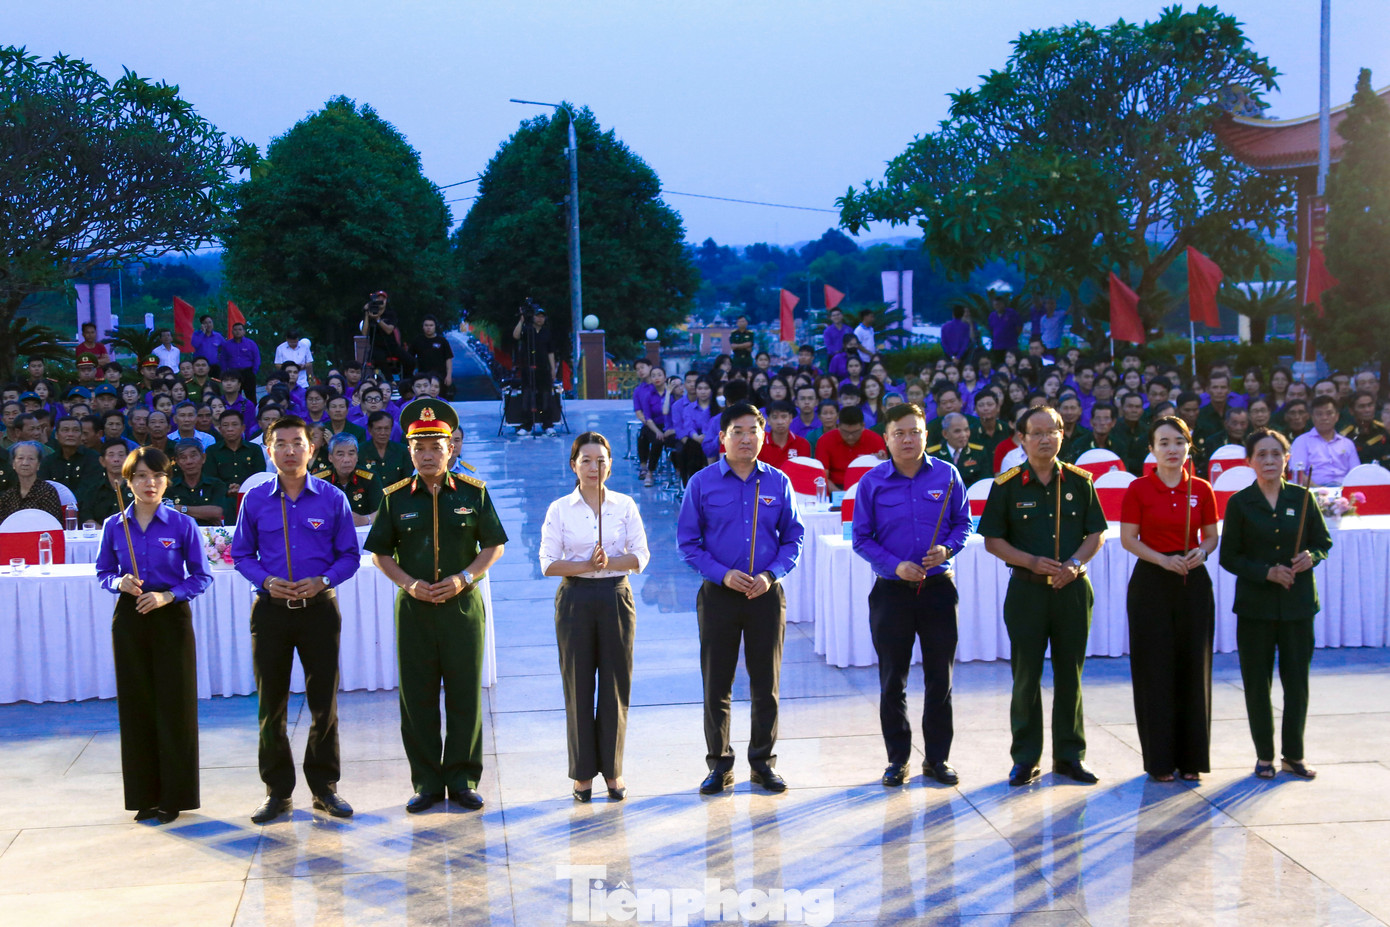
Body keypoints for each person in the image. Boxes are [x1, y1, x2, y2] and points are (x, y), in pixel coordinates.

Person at [365, 400, 507, 812]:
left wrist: (465, 577)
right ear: (409, 452)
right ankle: (426, 782)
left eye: (436, 447)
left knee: (465, 695)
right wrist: (408, 584)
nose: (428, 456)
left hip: (463, 610)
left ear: (451, 450)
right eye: (419, 448)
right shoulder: (394, 498)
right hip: (415, 611)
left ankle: (462, 779)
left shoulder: (473, 493)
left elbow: (494, 545)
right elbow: (380, 553)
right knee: (418, 697)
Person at [231, 415, 361, 824]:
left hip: (319, 610)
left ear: (312, 448)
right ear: (269, 451)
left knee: (324, 702)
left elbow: (350, 556)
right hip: (270, 612)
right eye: (280, 444)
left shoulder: (331, 498)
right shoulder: (254, 500)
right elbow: (240, 554)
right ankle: (277, 792)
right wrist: (267, 581)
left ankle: (325, 788)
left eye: (297, 443)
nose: (289, 451)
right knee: (271, 705)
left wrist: (323, 579)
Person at [677, 403, 804, 795]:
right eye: (738, 431)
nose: (746, 438)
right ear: (723, 438)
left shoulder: (779, 482)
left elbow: (793, 539)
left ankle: (763, 763)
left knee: (766, 683)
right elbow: (688, 543)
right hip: (719, 596)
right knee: (718, 683)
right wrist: (722, 574)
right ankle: (719, 763)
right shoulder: (701, 483)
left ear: (763, 436)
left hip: (765, 595)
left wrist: (770, 575)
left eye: (753, 431)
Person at [979, 406, 1108, 787]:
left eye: (1052, 431)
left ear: (1062, 435)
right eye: (1035, 433)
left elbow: (1095, 534)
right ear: (1021, 439)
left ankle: (1070, 756)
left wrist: (1075, 564)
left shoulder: (1081, 482)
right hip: (1027, 592)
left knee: (1071, 674)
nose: (1044, 438)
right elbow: (992, 541)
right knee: (1026, 676)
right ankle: (1025, 758)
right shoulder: (1006, 484)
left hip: (1072, 590)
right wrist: (1031, 562)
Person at [852, 403, 970, 787]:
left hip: (938, 590)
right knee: (893, 681)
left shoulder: (948, 476)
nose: (907, 439)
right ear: (886, 439)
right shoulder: (872, 482)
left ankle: (937, 759)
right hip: (893, 593)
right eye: (899, 433)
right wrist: (894, 564)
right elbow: (861, 539)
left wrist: (948, 549)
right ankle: (897, 759)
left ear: (926, 436)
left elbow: (963, 524)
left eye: (915, 432)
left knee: (941, 679)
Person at [93, 446, 212, 823]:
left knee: (174, 706)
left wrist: (167, 595)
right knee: (137, 706)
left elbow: (201, 576)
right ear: (127, 482)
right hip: (130, 618)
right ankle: (144, 796)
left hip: (170, 616)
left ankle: (174, 796)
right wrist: (119, 582)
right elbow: (102, 573)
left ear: (167, 480)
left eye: (158, 476)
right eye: (141, 476)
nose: (150, 483)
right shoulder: (115, 526)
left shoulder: (181, 524)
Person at [540, 432, 650, 802]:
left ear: (610, 465)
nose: (593, 467)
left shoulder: (624, 505)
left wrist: (610, 563)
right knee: (579, 687)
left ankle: (613, 772)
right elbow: (547, 563)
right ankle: (583, 774)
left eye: (601, 460)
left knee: (616, 687)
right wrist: (585, 565)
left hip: (616, 595)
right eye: (586, 460)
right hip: (576, 597)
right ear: (574, 465)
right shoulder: (560, 508)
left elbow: (640, 555)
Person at [1220, 429, 1332, 781]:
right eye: (1261, 455)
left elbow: (1323, 543)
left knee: (1297, 682)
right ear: (1249, 461)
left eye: (1276, 454)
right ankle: (1264, 756)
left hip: (1297, 606)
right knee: (1257, 683)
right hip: (1256, 607)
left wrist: (1309, 557)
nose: (1269, 461)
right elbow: (1229, 557)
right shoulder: (1240, 503)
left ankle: (1293, 755)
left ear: (1286, 458)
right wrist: (1266, 572)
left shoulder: (1302, 497)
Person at [1119, 416, 1220, 782]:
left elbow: (1210, 536)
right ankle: (1159, 761)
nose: (1172, 449)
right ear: (1151, 449)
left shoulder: (1202, 489)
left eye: (1179, 441)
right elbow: (1130, 538)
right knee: (1154, 671)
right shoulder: (1139, 489)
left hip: (1192, 580)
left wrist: (1201, 553)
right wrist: (1163, 560)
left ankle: (1192, 759)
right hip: (1151, 581)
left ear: (1188, 446)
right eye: (1164, 442)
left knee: (1193, 667)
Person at [1289, 395, 1358, 486]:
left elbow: (1356, 473)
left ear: (1337, 416)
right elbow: (1298, 473)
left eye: (1329, 413)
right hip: (1313, 491)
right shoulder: (1301, 441)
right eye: (1319, 414)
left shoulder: (1347, 444)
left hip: (1344, 491)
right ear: (1312, 417)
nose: (1324, 418)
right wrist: (1320, 491)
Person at [814, 405, 887, 491]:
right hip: (835, 488)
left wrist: (881, 461)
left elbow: (883, 475)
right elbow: (822, 477)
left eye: (855, 432)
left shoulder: (875, 440)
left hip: (867, 487)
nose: (850, 437)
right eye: (845, 432)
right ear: (839, 426)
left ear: (863, 426)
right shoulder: (825, 440)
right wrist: (841, 495)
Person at [511, 303, 558, 437]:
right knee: (528, 396)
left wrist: (553, 369)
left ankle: (547, 424)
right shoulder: (527, 330)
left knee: (545, 396)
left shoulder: (547, 333)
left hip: (543, 369)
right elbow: (515, 336)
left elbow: (551, 352)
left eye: (542, 317)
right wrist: (521, 320)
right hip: (528, 368)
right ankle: (527, 425)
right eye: (538, 316)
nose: (540, 319)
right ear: (533, 317)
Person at [314, 434, 380, 526]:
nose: (346, 460)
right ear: (330, 457)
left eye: (351, 453)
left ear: (357, 456)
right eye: (340, 454)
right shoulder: (319, 481)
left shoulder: (369, 478)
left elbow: (382, 510)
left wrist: (365, 519)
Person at [165, 440, 232, 526]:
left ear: (203, 458)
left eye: (193, 456)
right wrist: (204, 514)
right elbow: (166, 513)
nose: (189, 461)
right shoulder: (170, 486)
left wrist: (181, 508)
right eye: (183, 457)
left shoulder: (216, 484)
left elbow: (217, 512)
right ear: (177, 461)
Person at [0, 441, 63, 523]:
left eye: (31, 459)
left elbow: (52, 524)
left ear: (38, 464)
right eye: (20, 458)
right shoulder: (8, 496)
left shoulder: (48, 492)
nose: (25, 463)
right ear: (13, 464)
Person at [205, 410, 264, 497]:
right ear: (220, 429)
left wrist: (242, 488)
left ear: (243, 428)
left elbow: (259, 476)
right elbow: (210, 478)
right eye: (225, 425)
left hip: (250, 495)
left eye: (234, 424)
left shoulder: (255, 449)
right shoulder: (211, 451)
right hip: (221, 497)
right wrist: (226, 489)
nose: (230, 429)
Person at [81, 439, 137, 525]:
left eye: (121, 455)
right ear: (102, 461)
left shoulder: (137, 488)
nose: (116, 459)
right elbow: (86, 517)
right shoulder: (93, 490)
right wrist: (106, 534)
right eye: (111, 455)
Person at [928, 412, 990, 486]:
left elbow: (985, 483)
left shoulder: (979, 452)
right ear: (945, 434)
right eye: (957, 431)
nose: (964, 435)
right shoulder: (932, 455)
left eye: (966, 430)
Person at [756, 400, 811, 468]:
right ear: (768, 421)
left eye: (784, 417)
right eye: (775, 417)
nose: (780, 422)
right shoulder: (759, 443)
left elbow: (804, 471)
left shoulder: (802, 444)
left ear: (790, 418)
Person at [411, 315, 455, 398]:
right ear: (423, 327)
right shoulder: (417, 340)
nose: (428, 328)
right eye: (426, 325)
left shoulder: (442, 341)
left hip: (440, 376)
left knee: (440, 400)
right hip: (423, 376)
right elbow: (410, 358)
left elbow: (448, 359)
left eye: (431, 325)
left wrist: (449, 375)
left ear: (435, 326)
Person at [218, 322, 261, 393]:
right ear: (232, 331)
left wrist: (254, 371)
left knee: (251, 395)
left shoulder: (251, 343)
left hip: (248, 372)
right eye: (235, 330)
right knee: (235, 394)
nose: (237, 332)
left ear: (244, 332)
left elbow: (257, 358)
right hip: (233, 373)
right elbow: (223, 359)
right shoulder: (227, 345)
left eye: (240, 330)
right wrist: (225, 372)